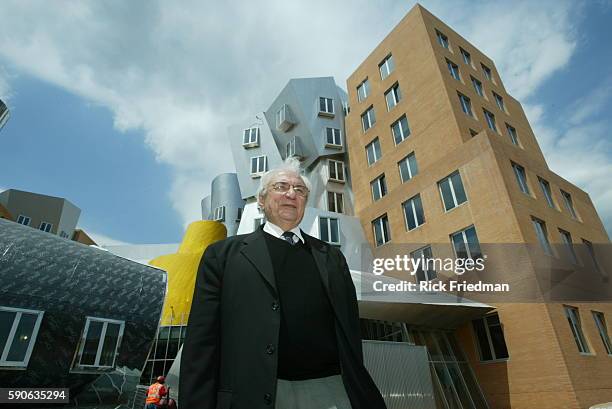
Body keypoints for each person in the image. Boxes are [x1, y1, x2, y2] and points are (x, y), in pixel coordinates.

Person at [180, 158, 387, 409]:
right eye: (281, 186)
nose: (291, 194)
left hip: (330, 391)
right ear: (261, 200)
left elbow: (351, 332)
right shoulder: (222, 255)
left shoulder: (332, 257)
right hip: (252, 394)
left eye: (299, 190)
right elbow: (201, 342)